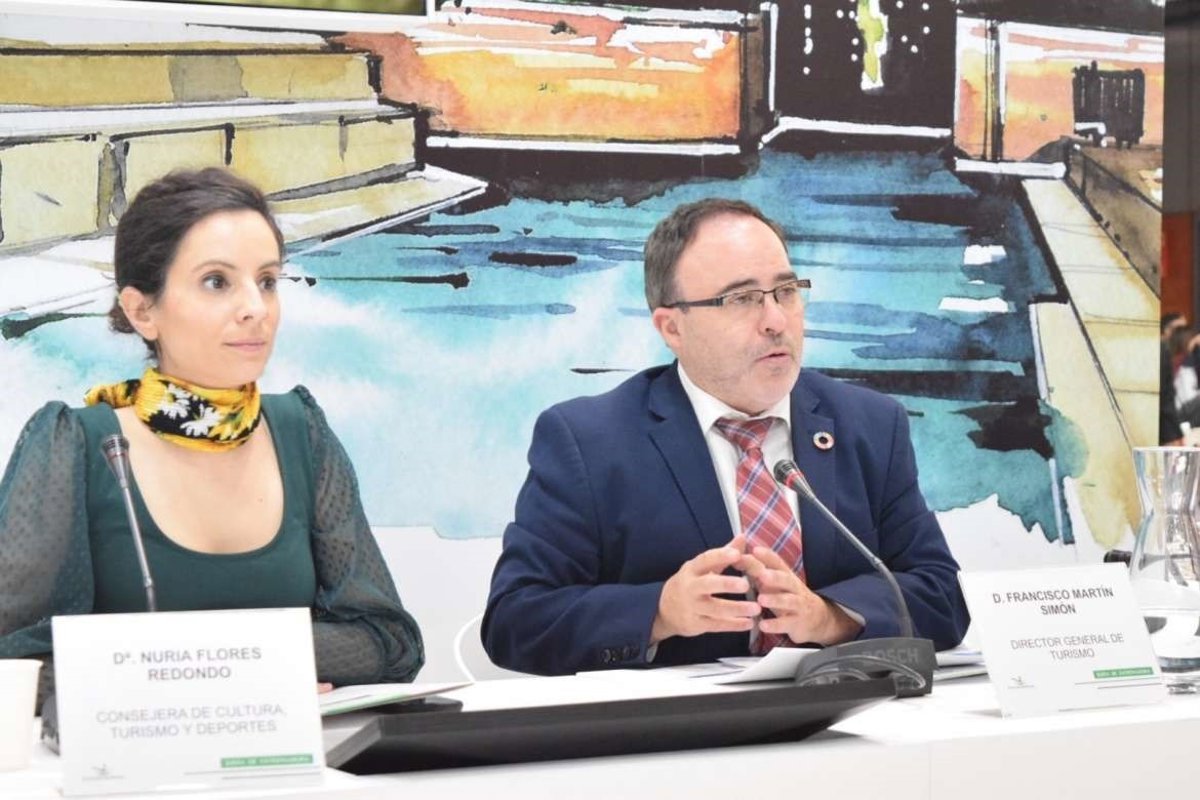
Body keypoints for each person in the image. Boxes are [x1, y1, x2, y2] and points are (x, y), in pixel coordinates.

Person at [483, 198, 969, 674]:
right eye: (742, 299)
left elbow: (942, 598)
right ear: (672, 328)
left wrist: (830, 617)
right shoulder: (589, 442)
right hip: (682, 724)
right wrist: (660, 612)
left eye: (786, 291)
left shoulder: (870, 424)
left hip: (852, 713)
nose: (776, 321)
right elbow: (516, 621)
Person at [0, 168, 423, 708]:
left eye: (267, 281)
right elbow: (16, 661)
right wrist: (232, 673)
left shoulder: (301, 431)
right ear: (141, 311)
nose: (256, 308)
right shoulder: (76, 445)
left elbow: (388, 643)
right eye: (217, 282)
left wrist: (215, 664)